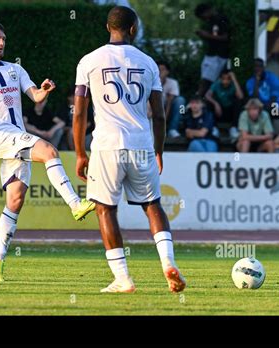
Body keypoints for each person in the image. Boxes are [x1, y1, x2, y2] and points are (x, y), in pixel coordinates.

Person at [0, 20, 95, 282]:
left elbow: (34, 96)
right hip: (0, 137)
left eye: (3, 39)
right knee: (49, 150)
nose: (1, 43)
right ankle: (75, 204)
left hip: (18, 136)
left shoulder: (15, 69)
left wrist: (44, 90)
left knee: (15, 200)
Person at [73, 6, 186, 293]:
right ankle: (168, 264)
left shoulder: (88, 61)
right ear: (133, 29)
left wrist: (79, 153)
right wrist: (159, 150)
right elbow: (159, 114)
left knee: (105, 209)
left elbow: (79, 113)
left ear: (107, 27)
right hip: (141, 144)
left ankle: (123, 279)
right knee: (153, 205)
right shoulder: (148, 63)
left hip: (107, 146)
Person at [194, 2, 230, 98]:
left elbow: (226, 37)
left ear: (207, 11)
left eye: (203, 16)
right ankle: (201, 98)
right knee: (205, 77)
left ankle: (198, 98)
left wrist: (207, 35)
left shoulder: (221, 19)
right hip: (211, 54)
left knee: (207, 79)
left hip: (218, 55)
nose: (204, 19)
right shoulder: (211, 21)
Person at [205, 69, 243, 141]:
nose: (225, 81)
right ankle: (214, 128)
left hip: (230, 112)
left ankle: (234, 128)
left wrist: (234, 79)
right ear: (220, 79)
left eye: (228, 79)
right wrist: (216, 104)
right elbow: (207, 95)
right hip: (219, 112)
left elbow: (240, 96)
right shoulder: (216, 84)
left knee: (238, 102)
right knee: (209, 103)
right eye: (223, 79)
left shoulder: (233, 84)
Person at [157, 60, 185, 138]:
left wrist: (165, 117)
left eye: (163, 69)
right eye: (158, 69)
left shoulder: (173, 83)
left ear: (167, 72)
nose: (160, 72)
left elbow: (170, 101)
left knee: (181, 101)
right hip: (155, 108)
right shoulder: (150, 82)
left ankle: (174, 127)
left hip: (169, 107)